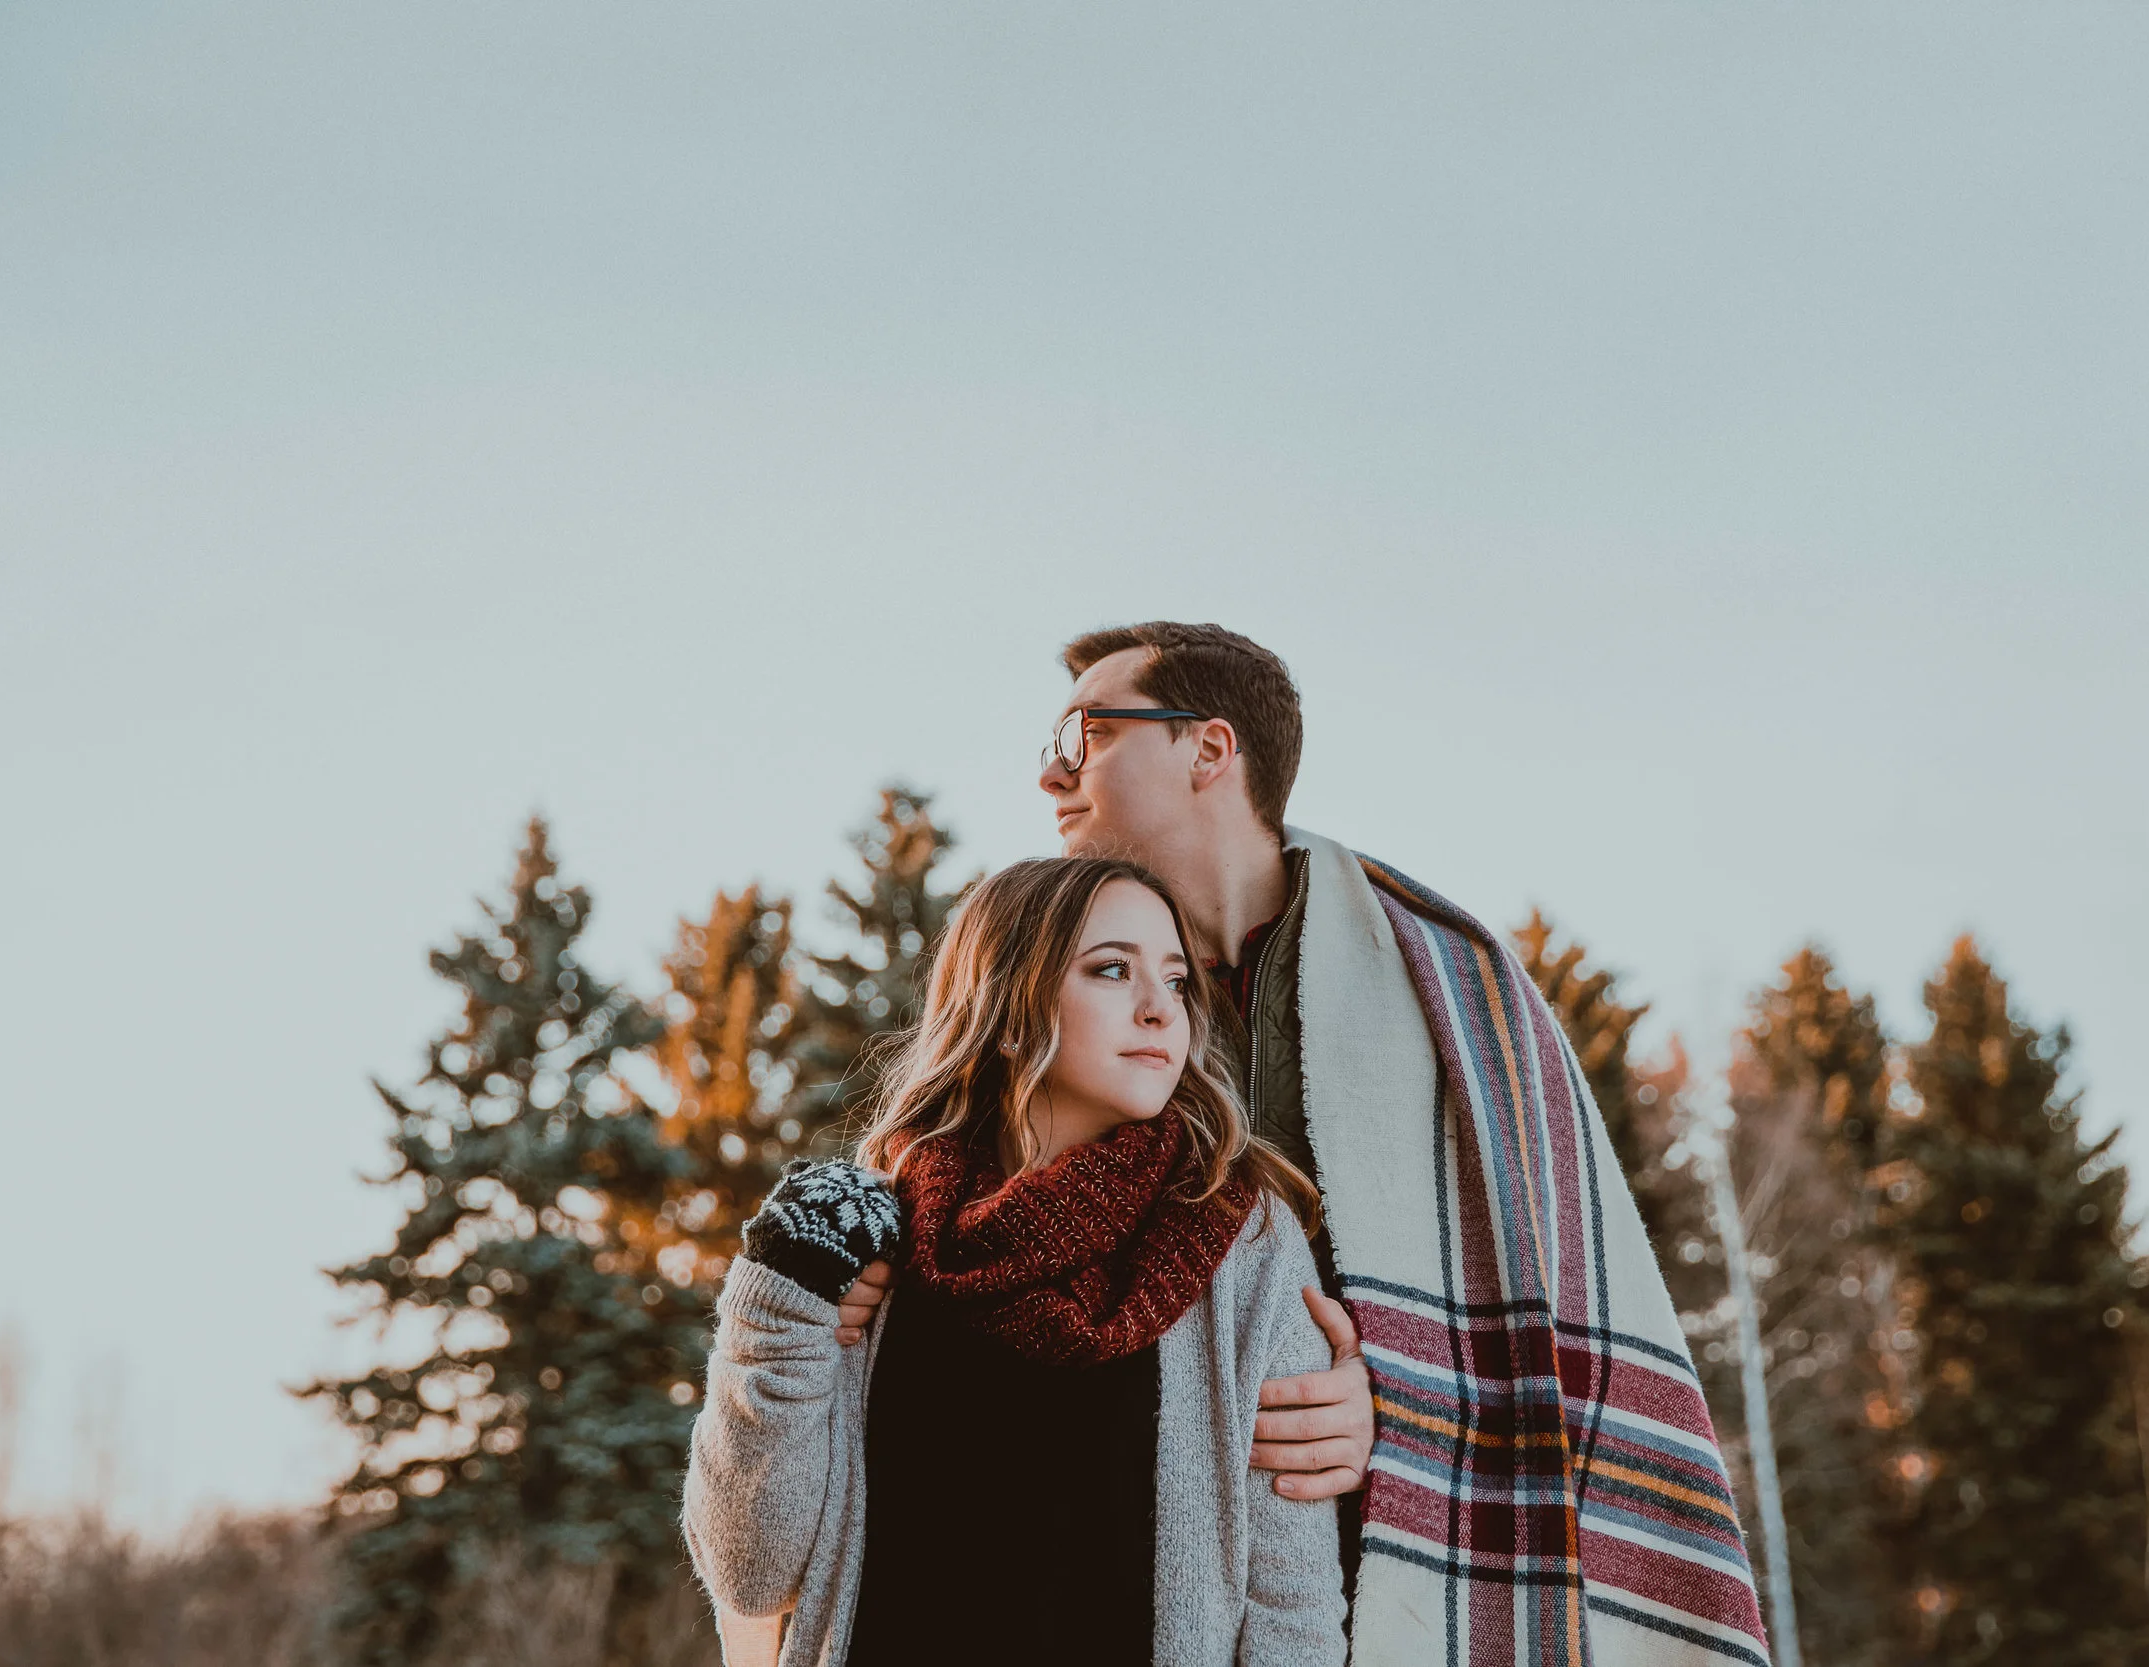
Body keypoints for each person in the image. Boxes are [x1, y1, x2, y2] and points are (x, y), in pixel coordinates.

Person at [846, 623, 1771, 1666]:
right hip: (1082, 1562)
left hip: (1354, 1573)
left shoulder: (1447, 993)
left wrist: (1399, 1405)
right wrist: (865, 1277)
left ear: (1208, 750)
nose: (1049, 769)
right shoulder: (1058, 982)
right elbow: (971, 1208)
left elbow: (1548, 1330)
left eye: (1087, 732)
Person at [683, 857, 1351, 1667]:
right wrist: (775, 1301)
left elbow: (1293, 1603)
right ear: (1006, 1010)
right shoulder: (869, 1235)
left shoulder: (1240, 1241)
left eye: (1175, 982)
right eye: (1112, 969)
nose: (1158, 1010)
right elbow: (752, 1576)